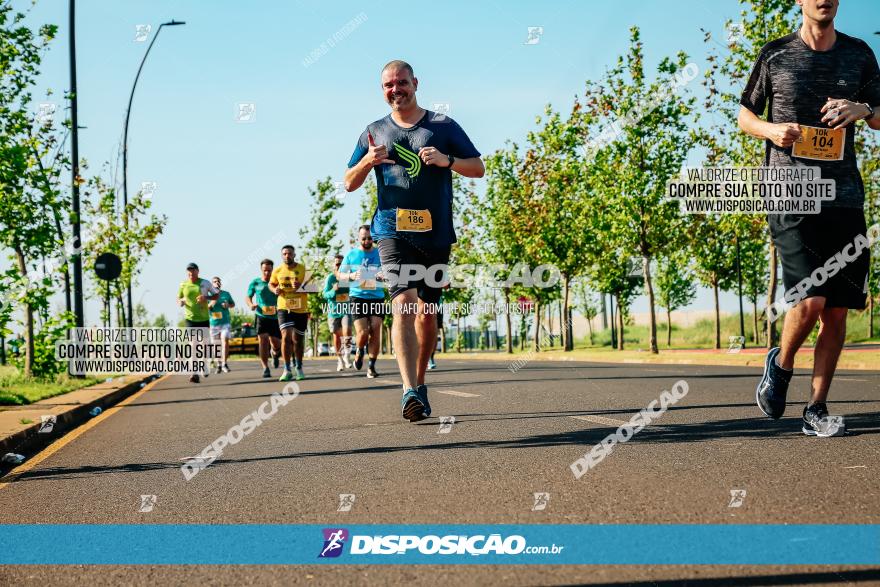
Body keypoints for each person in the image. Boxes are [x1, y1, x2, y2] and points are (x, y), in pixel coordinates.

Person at [738, 0, 880, 436]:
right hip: (790, 192)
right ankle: (780, 365)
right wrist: (771, 130)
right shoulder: (776, 53)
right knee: (811, 300)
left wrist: (863, 111)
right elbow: (745, 114)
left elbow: (879, 116)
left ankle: (816, 407)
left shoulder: (859, 54)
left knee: (837, 312)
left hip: (844, 197)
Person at [343, 60, 484, 421]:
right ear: (383, 89)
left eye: (401, 83)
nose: (396, 90)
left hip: (435, 234)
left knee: (427, 312)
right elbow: (348, 182)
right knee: (403, 303)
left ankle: (419, 384)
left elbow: (477, 168)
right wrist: (367, 163)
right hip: (390, 231)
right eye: (389, 85)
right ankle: (408, 390)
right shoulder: (373, 131)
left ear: (415, 83)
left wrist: (446, 160)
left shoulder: (442, 125)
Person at [339, 226, 386, 379]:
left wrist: (382, 276)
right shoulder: (351, 254)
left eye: (369, 238)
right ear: (359, 238)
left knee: (376, 329)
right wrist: (352, 275)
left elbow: (390, 271)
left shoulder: (380, 253)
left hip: (377, 295)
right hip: (358, 296)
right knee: (363, 332)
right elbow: (340, 274)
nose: (367, 241)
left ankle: (371, 366)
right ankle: (359, 350)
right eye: (364, 238)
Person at [269, 245, 309, 382]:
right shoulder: (278, 270)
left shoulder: (303, 269)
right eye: (285, 254)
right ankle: (286, 369)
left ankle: (298, 367)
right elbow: (271, 284)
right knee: (285, 336)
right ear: (282, 255)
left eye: (290, 253)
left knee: (298, 340)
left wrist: (301, 287)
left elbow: (314, 287)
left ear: (294, 254)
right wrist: (275, 290)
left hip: (301, 309)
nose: (287, 256)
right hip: (283, 307)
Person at [176, 262, 219, 383]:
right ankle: (194, 373)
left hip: (204, 319)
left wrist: (206, 298)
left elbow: (216, 295)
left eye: (193, 270)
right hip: (190, 319)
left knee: (204, 345)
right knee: (193, 345)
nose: (191, 273)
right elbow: (178, 297)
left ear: (198, 271)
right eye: (189, 271)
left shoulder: (205, 283)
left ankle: (204, 363)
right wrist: (180, 302)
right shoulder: (183, 284)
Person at [246, 259, 282, 378]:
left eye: (269, 270)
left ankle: (275, 353)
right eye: (265, 270)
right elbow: (248, 296)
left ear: (272, 270)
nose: (267, 273)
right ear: (261, 270)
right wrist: (251, 304)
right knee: (263, 340)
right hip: (261, 315)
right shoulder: (255, 282)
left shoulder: (277, 282)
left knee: (276, 343)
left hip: (276, 317)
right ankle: (265, 367)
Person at [323, 254, 353, 372]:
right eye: (337, 264)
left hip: (346, 309)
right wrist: (333, 291)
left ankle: (347, 355)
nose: (339, 266)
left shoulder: (348, 278)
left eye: (342, 264)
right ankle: (339, 359)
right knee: (336, 335)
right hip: (334, 311)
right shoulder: (330, 278)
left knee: (347, 331)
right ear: (334, 265)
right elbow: (324, 294)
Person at [208, 276, 235, 373]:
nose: (217, 283)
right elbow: (206, 307)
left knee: (225, 340)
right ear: (212, 284)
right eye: (215, 282)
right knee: (216, 346)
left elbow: (233, 304)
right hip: (214, 324)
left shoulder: (226, 294)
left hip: (225, 322)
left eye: (218, 281)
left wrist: (228, 305)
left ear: (220, 283)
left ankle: (224, 363)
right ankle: (219, 364)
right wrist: (214, 300)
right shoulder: (208, 295)